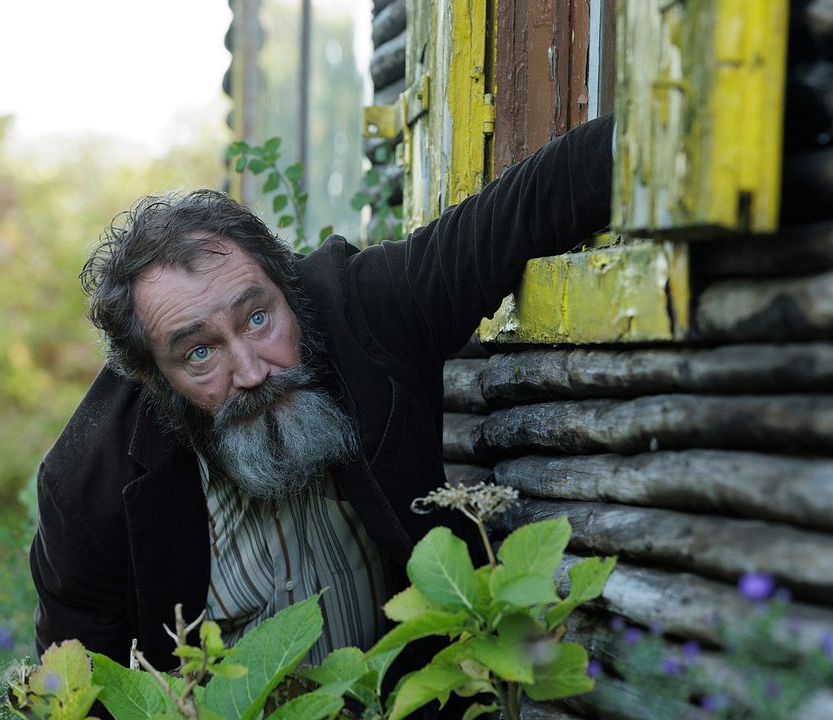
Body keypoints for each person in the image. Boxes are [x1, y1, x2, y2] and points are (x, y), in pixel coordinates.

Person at [30, 114, 614, 680]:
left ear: (290, 288)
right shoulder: (88, 488)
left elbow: (529, 204)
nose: (253, 371)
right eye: (199, 353)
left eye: (257, 317)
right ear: (154, 379)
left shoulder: (363, 312)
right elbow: (77, 692)